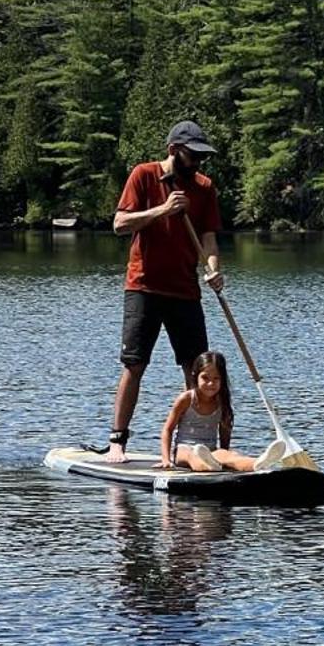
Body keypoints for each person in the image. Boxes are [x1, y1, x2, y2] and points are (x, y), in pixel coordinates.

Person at [105, 118, 225, 461]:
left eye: (202, 157)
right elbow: (119, 224)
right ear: (174, 151)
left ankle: (190, 445)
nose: (199, 162)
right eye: (193, 155)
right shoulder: (144, 175)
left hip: (185, 290)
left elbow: (209, 239)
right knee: (135, 364)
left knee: (197, 367)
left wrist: (214, 270)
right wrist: (163, 210)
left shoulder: (204, 188)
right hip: (144, 287)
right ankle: (117, 441)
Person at [161, 351, 257, 473]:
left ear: (222, 380)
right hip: (184, 449)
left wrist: (225, 457)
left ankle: (259, 463)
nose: (210, 383)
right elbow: (167, 430)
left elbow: (225, 432)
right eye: (205, 378)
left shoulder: (222, 402)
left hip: (210, 451)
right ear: (196, 376)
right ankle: (209, 466)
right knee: (192, 456)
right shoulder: (186, 399)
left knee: (230, 456)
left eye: (216, 378)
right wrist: (166, 459)